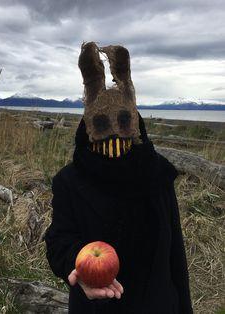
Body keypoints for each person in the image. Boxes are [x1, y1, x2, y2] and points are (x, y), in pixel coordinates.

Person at [45, 42, 193, 314]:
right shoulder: (69, 181)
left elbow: (175, 255)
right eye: (102, 124)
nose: (114, 133)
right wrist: (77, 263)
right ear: (90, 126)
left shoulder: (157, 172)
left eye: (124, 121)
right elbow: (58, 241)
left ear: (134, 122)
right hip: (97, 307)